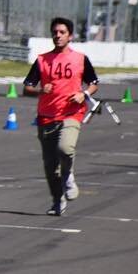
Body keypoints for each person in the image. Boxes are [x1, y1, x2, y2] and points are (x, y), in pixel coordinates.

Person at [22, 17, 98, 216]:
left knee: (65, 147)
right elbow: (26, 88)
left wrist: (84, 94)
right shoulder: (42, 60)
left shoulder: (80, 59)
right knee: (50, 166)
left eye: (62, 32)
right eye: (55, 32)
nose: (58, 35)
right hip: (46, 117)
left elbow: (93, 82)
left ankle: (69, 175)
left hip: (71, 113)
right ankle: (58, 200)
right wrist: (40, 90)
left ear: (70, 36)